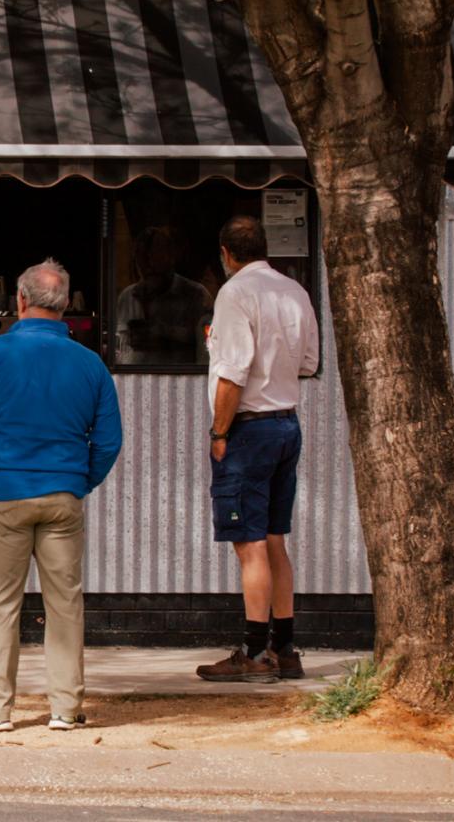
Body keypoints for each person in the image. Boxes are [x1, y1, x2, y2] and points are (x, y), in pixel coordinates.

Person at [0, 259, 121, 733]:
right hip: (62, 495)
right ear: (66, 305)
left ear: (20, 301)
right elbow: (107, 440)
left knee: (0, 606)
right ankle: (66, 709)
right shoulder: (90, 363)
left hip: (0, 493)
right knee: (65, 604)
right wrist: (79, 481)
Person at [196, 216, 319, 683]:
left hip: (248, 429)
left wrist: (219, 432)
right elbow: (309, 362)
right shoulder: (295, 291)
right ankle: (285, 649)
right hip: (287, 423)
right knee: (274, 540)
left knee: (249, 546)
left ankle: (251, 651)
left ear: (226, 253)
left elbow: (232, 372)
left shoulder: (234, 294)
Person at [114, 226, 210, 366]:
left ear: (171, 256)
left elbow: (206, 349)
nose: (149, 263)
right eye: (142, 256)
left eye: (155, 254)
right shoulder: (127, 297)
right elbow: (119, 348)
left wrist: (164, 334)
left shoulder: (196, 295)